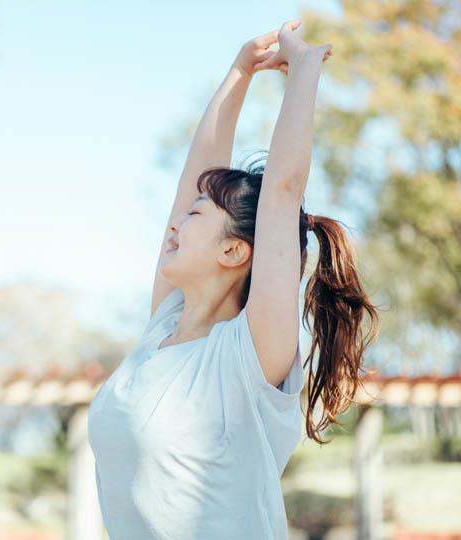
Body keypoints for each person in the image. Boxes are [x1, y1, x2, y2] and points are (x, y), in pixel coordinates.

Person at [87, 19, 380, 540]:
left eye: (195, 216)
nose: (175, 223)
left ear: (234, 251)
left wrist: (305, 70)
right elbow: (194, 175)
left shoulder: (248, 357)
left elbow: (283, 193)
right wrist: (239, 72)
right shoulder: (163, 329)